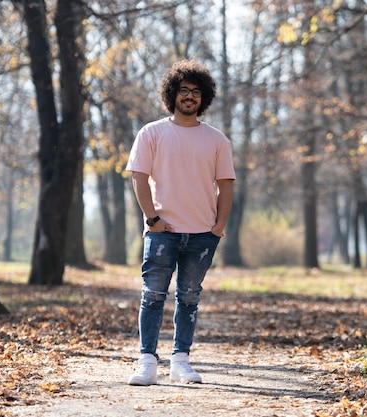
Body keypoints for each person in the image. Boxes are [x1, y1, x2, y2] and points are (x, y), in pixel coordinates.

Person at [125, 59, 235, 386]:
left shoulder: (217, 140)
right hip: (162, 232)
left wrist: (218, 227)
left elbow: (226, 185)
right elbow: (139, 178)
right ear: (172, 93)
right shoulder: (152, 132)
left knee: (189, 298)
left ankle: (180, 361)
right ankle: (147, 361)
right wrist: (152, 218)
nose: (190, 96)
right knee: (153, 295)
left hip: (202, 235)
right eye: (184, 90)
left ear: (204, 98)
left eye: (196, 92)